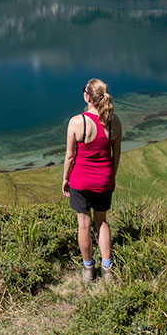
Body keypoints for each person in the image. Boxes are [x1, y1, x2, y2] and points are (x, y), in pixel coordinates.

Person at [62, 78, 122, 283]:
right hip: (103, 181)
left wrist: (65, 178)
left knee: (83, 224)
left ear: (87, 96)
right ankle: (108, 269)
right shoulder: (114, 122)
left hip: (80, 181)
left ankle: (88, 269)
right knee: (102, 221)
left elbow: (70, 156)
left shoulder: (77, 122)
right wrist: (111, 177)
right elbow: (116, 155)